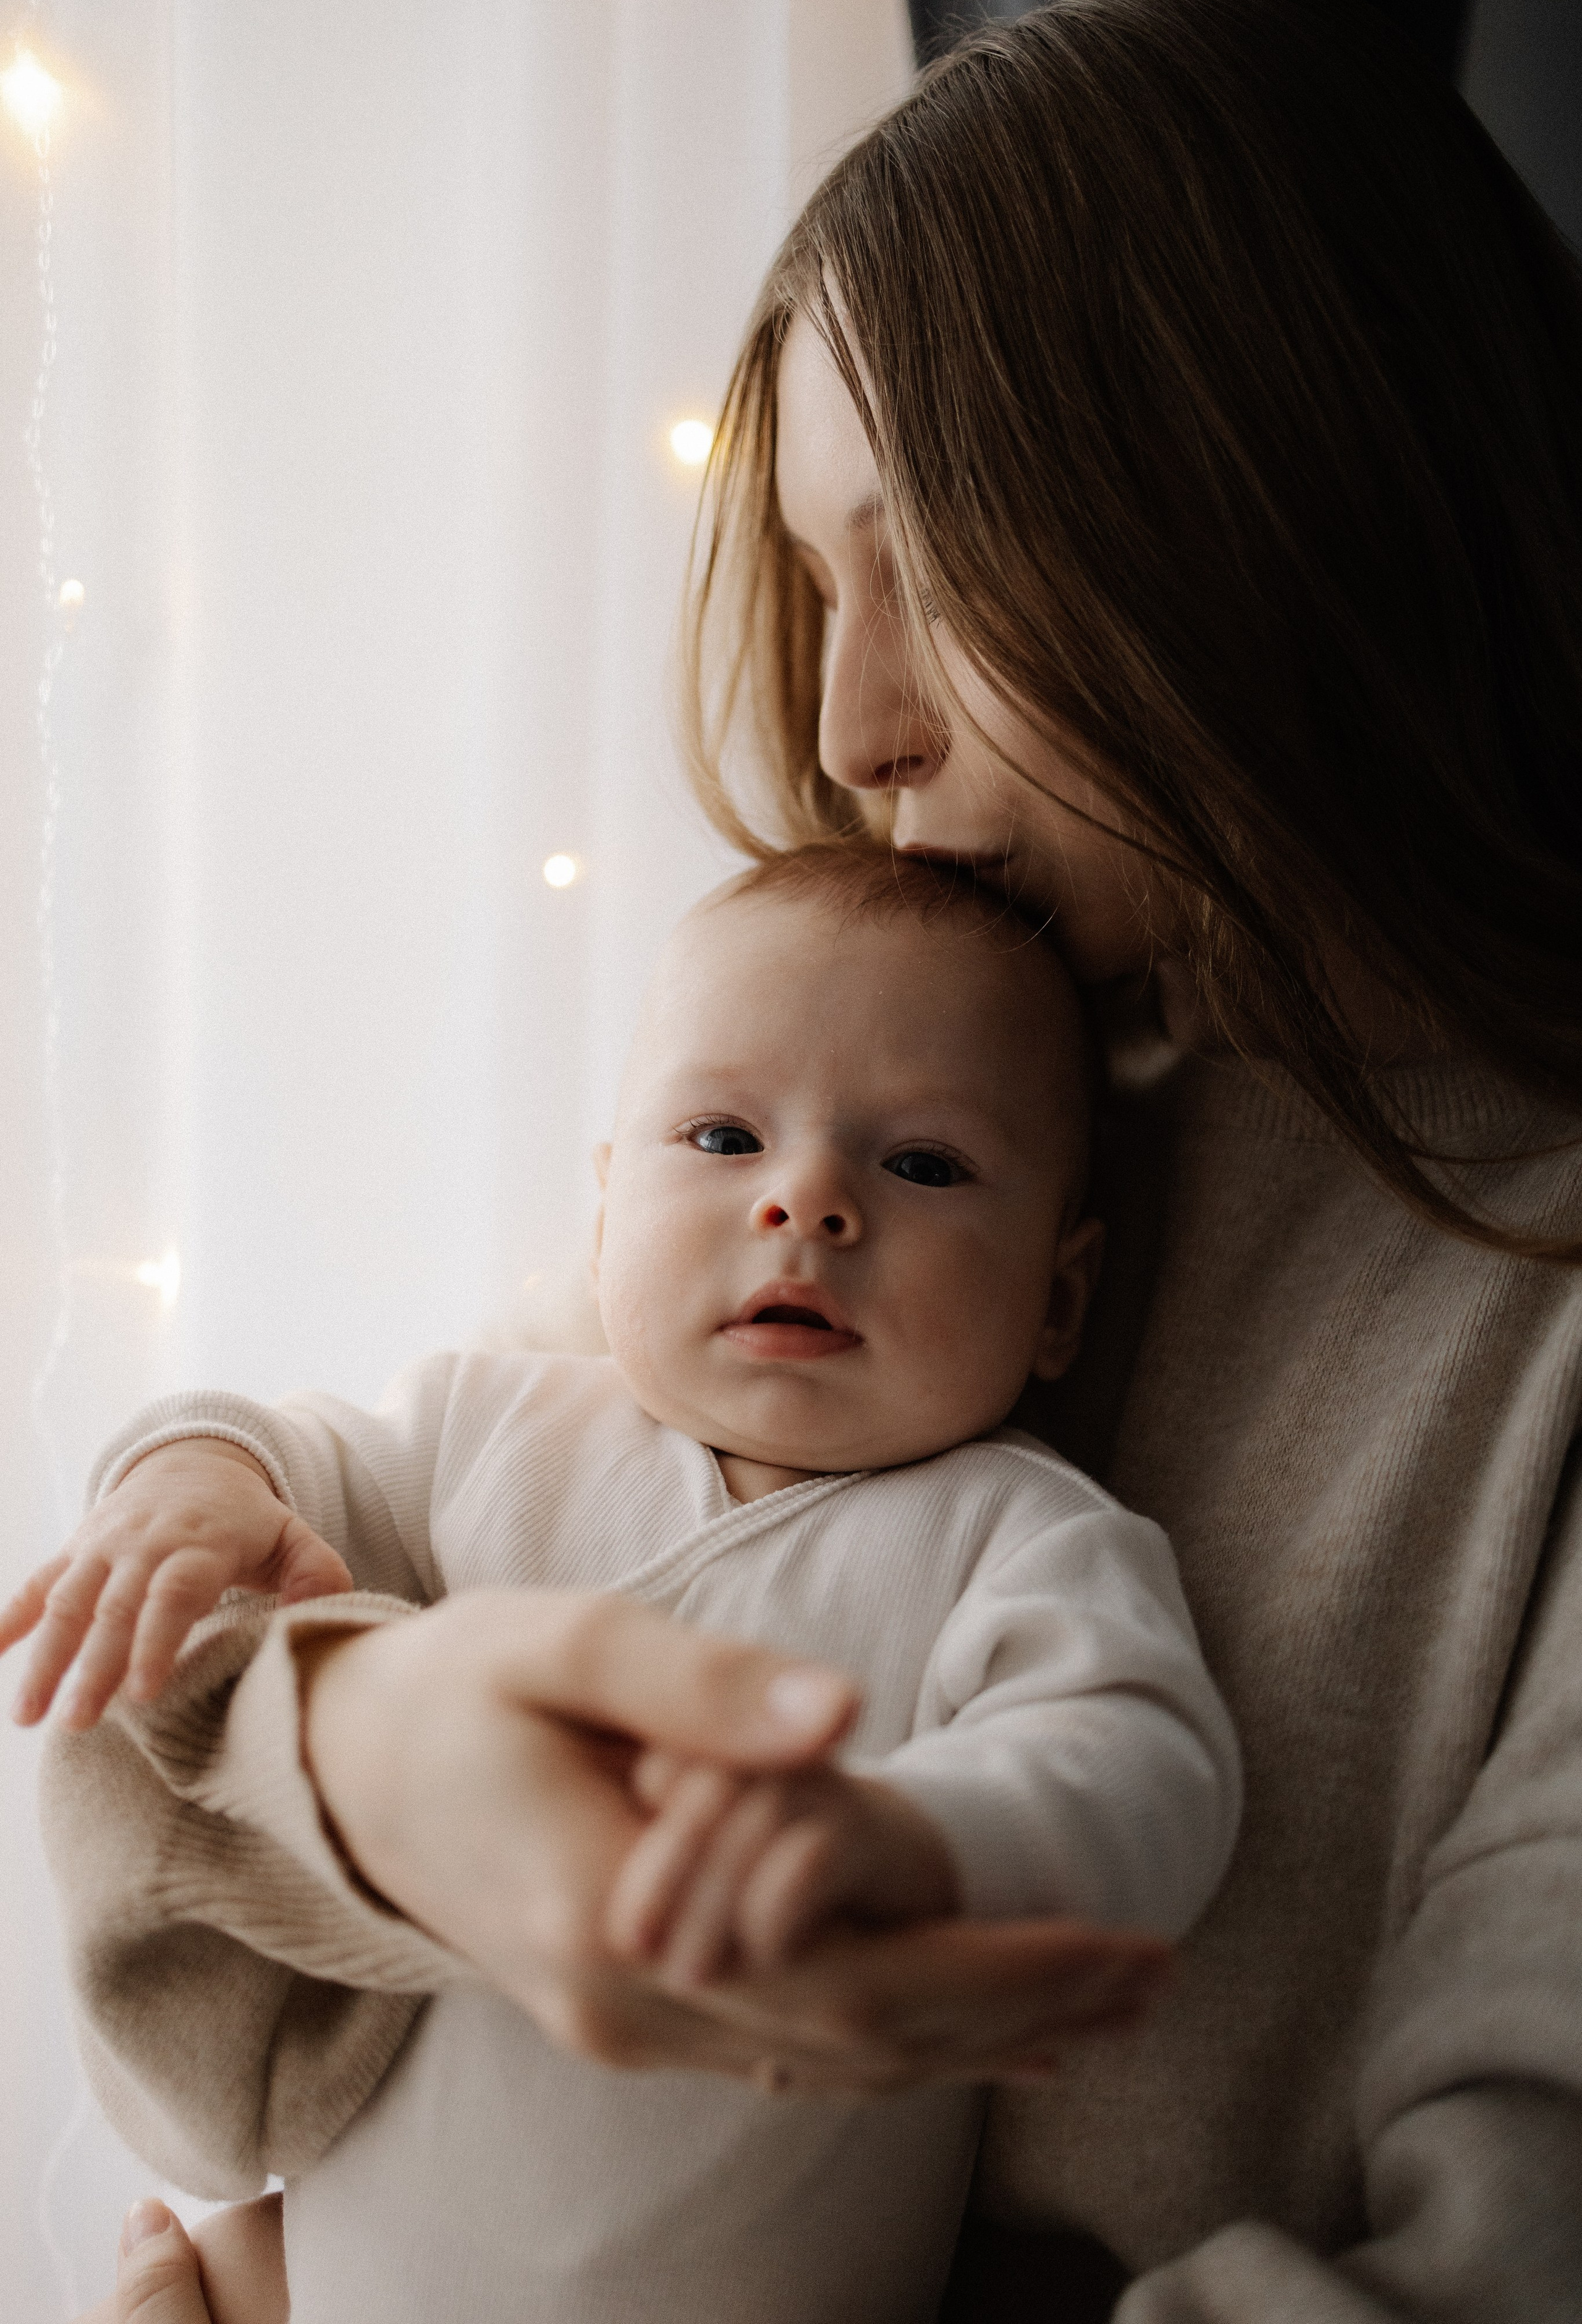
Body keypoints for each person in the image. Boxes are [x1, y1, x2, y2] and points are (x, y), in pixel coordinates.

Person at [36, 0, 1582, 2318]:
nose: (854, 728)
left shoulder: (1138, 1207)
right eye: (816, 589)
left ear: (1261, 496)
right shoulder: (874, 1101)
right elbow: (185, 1797)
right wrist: (365, 1746)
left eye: (928, 571)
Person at [21, 852, 1237, 2323]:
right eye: (723, 1137)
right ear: (605, 1221)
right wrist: (191, 1475)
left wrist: (919, 1845)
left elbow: (1142, 1763)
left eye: (921, 1165)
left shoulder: (1018, 1534)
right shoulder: (489, 1423)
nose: (804, 1201)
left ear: (1057, 1296)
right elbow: (287, 1468)